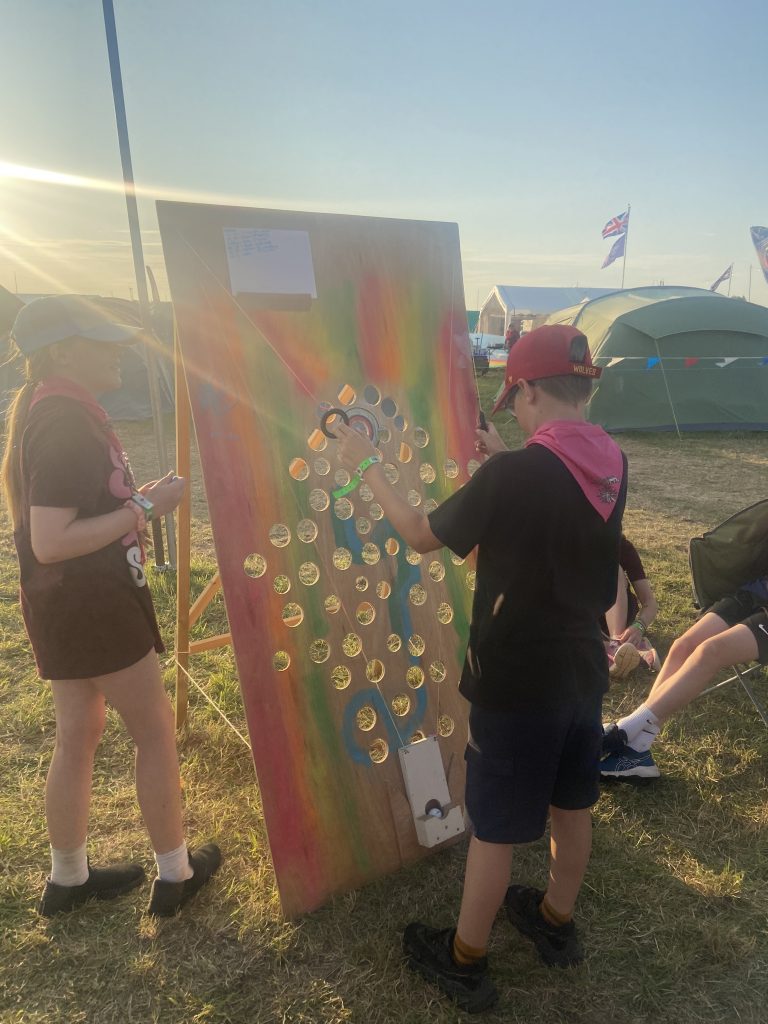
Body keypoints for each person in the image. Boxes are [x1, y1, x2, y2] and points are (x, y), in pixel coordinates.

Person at [336, 324, 627, 1013]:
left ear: (526, 390)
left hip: (516, 682)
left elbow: (418, 534)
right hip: (584, 670)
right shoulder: (611, 458)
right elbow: (550, 519)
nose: (512, 414)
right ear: (583, 386)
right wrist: (504, 459)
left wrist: (363, 463)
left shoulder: (512, 475)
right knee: (572, 804)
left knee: (495, 827)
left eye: (514, 402)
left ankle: (465, 958)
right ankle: (555, 921)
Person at [1, 295, 221, 917]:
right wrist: (143, 510)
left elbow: (68, 518)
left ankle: (67, 878)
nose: (120, 350)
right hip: (93, 605)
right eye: (103, 340)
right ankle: (175, 874)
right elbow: (51, 540)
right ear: (65, 352)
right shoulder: (65, 420)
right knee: (153, 732)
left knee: (79, 735)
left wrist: (131, 504)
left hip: (65, 607)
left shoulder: (57, 411)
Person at [601, 572, 768, 781]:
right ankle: (637, 750)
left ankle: (622, 732)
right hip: (758, 589)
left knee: (710, 651)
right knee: (682, 646)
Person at [603, 535, 660, 679]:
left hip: (617, 612)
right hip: (583, 617)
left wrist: (639, 625)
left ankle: (616, 643)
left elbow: (649, 602)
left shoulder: (622, 546)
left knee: (613, 567)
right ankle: (636, 648)